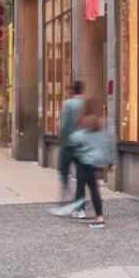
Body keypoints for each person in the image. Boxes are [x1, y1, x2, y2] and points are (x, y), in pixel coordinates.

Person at [67, 104, 115, 229]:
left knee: (89, 187)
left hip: (86, 160)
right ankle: (93, 214)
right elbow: (109, 142)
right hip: (95, 161)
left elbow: (75, 138)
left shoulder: (86, 125)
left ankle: (97, 217)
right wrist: (110, 160)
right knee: (92, 187)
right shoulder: (102, 124)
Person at [48, 81, 87, 218]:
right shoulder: (86, 104)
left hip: (68, 145)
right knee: (82, 177)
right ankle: (80, 208)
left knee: (63, 172)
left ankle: (67, 201)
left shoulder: (68, 104)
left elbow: (64, 126)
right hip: (83, 146)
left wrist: (62, 143)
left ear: (72, 90)